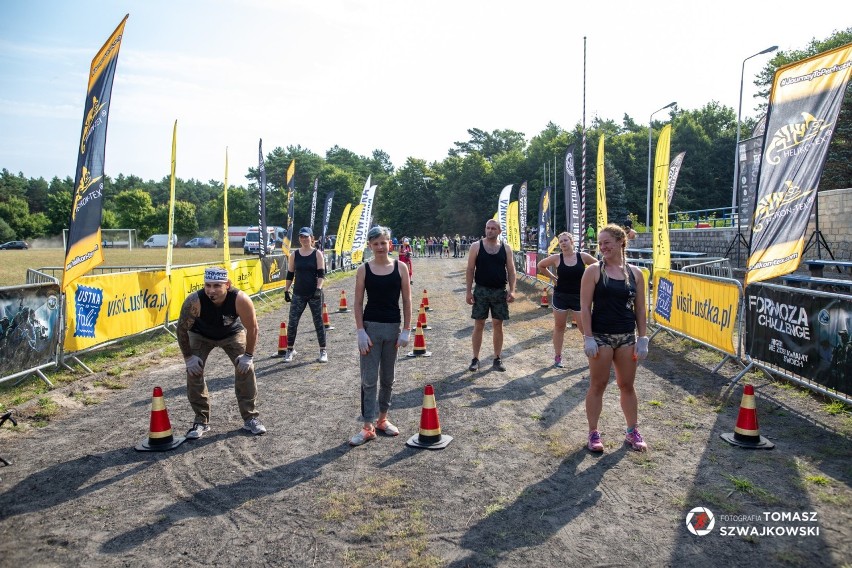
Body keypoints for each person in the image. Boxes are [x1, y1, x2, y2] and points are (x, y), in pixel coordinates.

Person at [580, 223, 648, 452]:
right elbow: (584, 307)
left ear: (621, 242)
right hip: (601, 337)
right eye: (600, 244)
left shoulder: (635, 273)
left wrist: (643, 337)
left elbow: (640, 309)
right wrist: (588, 337)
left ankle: (632, 431)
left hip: (627, 337)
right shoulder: (594, 271)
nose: (602, 247)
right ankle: (593, 433)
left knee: (627, 385)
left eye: (607, 242)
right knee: (597, 385)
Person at [177, 266, 266, 438]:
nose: (211, 290)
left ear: (227, 284)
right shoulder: (194, 301)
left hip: (231, 334)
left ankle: (251, 418)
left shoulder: (240, 299)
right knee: (194, 371)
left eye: (217, 285)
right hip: (200, 335)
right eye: (208, 285)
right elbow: (181, 330)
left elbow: (253, 328)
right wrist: (188, 358)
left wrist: (248, 356)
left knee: (246, 368)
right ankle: (201, 420)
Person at [350, 226, 412, 446]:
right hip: (370, 329)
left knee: (388, 378)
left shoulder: (401, 267)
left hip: (392, 329)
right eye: (375, 243)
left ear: (390, 244)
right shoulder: (364, 270)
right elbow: (357, 303)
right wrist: (360, 331)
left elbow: (406, 301)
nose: (379, 247)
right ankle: (367, 426)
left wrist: (406, 329)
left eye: (383, 243)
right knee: (369, 380)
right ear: (370, 245)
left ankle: (383, 419)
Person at [537, 232, 598, 368]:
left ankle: (592, 354)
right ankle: (558, 357)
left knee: (585, 328)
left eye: (565, 240)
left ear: (572, 241)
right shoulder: (557, 257)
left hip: (579, 297)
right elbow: (541, 265)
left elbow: (599, 266)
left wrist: (591, 282)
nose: (563, 243)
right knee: (559, 326)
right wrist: (552, 277)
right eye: (560, 242)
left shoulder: (582, 256)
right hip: (561, 296)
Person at [466, 219, 517, 372]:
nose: (490, 231)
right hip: (481, 290)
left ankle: (497, 358)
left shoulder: (506, 248)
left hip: (499, 291)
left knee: (498, 325)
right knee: (479, 324)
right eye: (488, 228)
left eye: (493, 228)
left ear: (499, 231)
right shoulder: (476, 246)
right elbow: (470, 270)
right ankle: (475, 359)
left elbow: (512, 271)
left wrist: (512, 290)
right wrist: (468, 291)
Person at [282, 227, 327, 363]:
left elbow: (321, 274)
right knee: (292, 322)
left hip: (314, 293)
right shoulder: (294, 255)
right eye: (301, 237)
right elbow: (290, 274)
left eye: (306, 237)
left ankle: (323, 350)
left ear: (311, 238)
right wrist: (286, 290)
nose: (304, 239)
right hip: (298, 293)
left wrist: (318, 289)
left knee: (318, 322)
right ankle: (290, 350)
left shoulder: (317, 254)